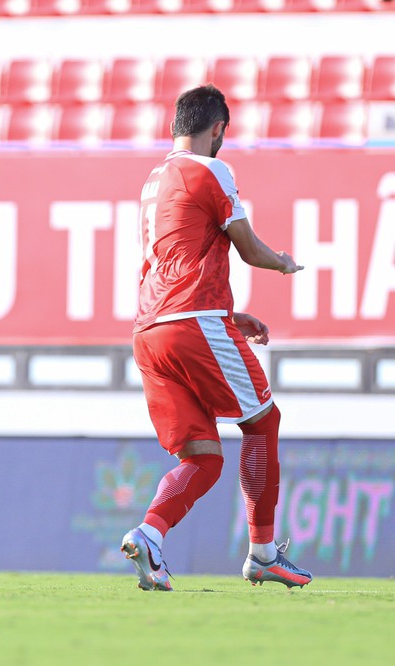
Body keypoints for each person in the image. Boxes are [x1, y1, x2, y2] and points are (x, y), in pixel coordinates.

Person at [122, 85, 313, 591]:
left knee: (203, 457)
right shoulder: (210, 169)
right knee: (263, 420)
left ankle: (149, 535)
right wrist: (283, 263)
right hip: (192, 320)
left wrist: (231, 314)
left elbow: (175, 258)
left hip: (149, 330)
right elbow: (248, 249)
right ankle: (263, 553)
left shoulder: (153, 179)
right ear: (218, 130)